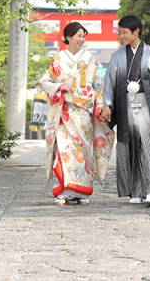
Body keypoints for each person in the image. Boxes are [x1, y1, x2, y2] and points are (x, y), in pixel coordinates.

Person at [100, 15, 150, 206]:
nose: (121, 36)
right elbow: (109, 81)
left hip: (146, 105)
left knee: (147, 146)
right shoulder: (117, 56)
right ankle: (135, 191)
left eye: (124, 32)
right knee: (128, 147)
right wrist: (107, 104)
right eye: (120, 32)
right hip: (126, 106)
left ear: (136, 31)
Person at [39, 22, 115, 205]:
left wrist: (103, 105)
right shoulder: (57, 58)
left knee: (82, 151)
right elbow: (45, 81)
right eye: (79, 36)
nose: (82, 39)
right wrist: (59, 86)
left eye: (83, 36)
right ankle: (63, 192)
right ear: (68, 37)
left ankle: (82, 193)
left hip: (83, 113)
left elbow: (97, 84)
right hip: (64, 112)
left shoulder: (89, 58)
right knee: (64, 151)